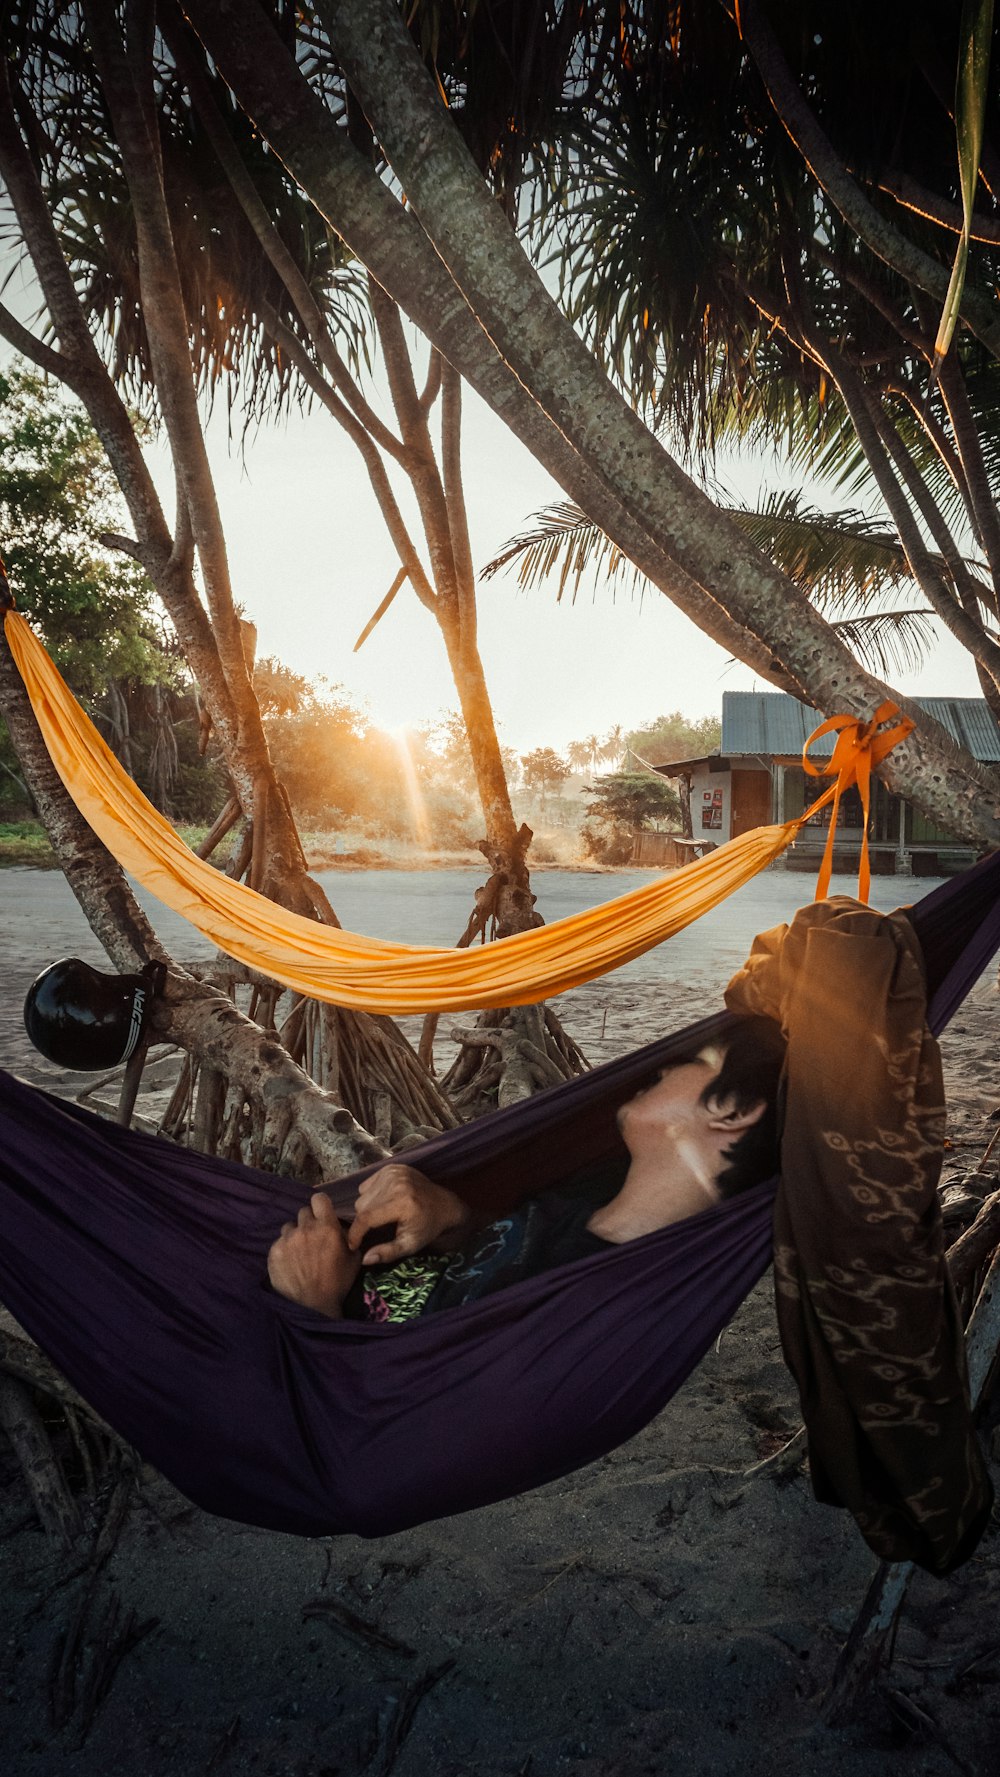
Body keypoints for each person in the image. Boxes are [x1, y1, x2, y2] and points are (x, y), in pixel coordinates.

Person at [267, 1014, 786, 1322]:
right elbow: (493, 1254)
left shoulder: (605, 1301)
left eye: (695, 1061)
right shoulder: (586, 1197)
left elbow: (401, 1427)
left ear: (735, 1110)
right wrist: (447, 1213)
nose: (665, 1066)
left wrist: (313, 1306)